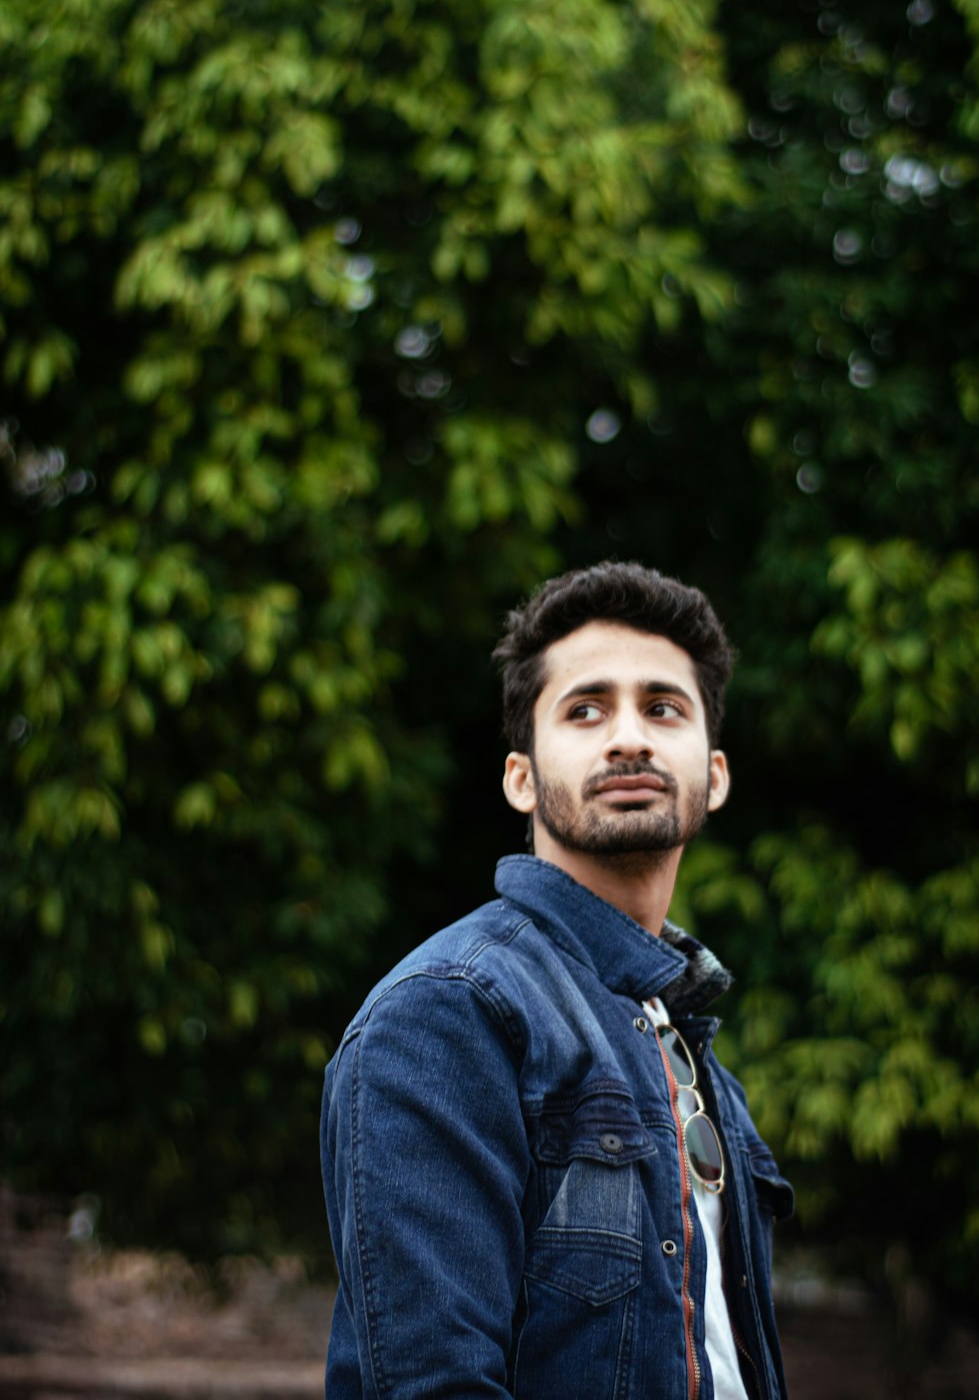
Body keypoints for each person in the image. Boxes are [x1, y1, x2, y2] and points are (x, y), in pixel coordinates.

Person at [320, 560, 793, 1400]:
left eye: (662, 707)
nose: (629, 737)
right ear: (521, 778)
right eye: (585, 710)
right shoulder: (448, 1014)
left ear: (713, 775)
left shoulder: (684, 1045)